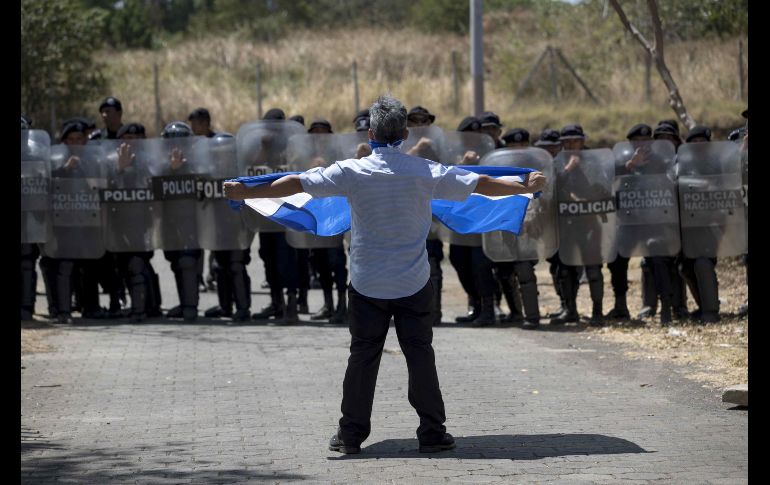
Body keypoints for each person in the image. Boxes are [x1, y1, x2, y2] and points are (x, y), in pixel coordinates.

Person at [224, 94, 545, 454]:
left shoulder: (352, 171)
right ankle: (432, 433)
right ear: (405, 134)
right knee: (420, 355)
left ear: (371, 133)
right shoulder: (426, 171)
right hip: (414, 282)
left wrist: (246, 189)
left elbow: (297, 182)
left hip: (366, 282)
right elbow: (480, 182)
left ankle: (350, 435)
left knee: (362, 356)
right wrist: (524, 186)